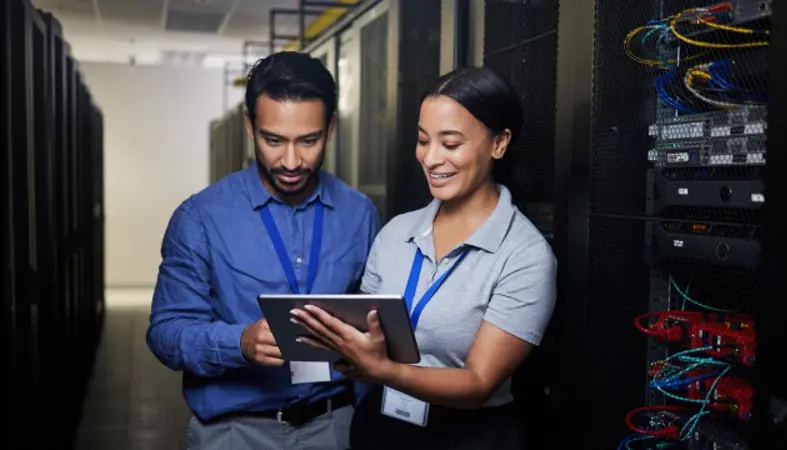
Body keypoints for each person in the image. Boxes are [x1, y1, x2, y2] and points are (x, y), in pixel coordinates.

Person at [290, 66, 557, 449]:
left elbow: (479, 383)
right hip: (381, 426)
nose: (430, 159)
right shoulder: (398, 232)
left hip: (468, 436)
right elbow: (369, 325)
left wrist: (382, 369)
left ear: (499, 143)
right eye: (422, 141)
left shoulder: (524, 255)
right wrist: (339, 344)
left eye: (450, 144)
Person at [146, 51, 380, 450]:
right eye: (274, 140)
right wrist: (239, 343)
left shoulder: (359, 213)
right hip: (235, 432)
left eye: (308, 141)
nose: (291, 161)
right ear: (250, 127)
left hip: (334, 426)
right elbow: (166, 332)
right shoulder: (200, 217)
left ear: (331, 129)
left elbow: (377, 318)